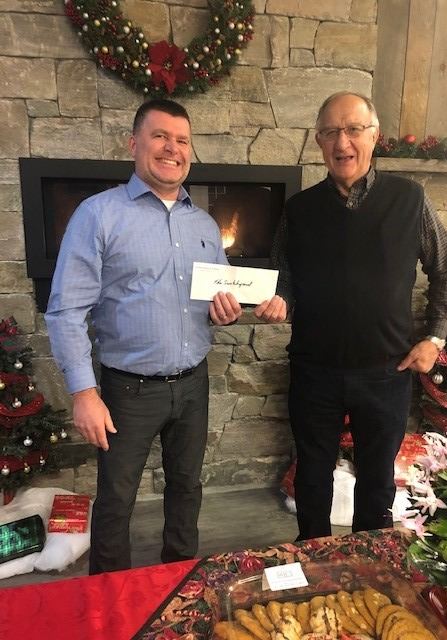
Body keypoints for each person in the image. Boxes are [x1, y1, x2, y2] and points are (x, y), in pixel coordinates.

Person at [45, 99, 285, 574]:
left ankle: (180, 582)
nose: (171, 148)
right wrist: (84, 393)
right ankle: (111, 595)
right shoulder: (98, 215)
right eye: (159, 136)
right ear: (133, 144)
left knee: (187, 487)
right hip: (127, 391)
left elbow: (217, 303)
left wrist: (228, 312)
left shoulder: (204, 224)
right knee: (117, 499)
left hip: (193, 383)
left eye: (181, 140)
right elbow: (66, 310)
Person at [272, 91, 447, 539]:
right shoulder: (298, 210)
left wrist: (434, 338)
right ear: (319, 141)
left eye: (354, 130)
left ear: (374, 136)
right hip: (314, 371)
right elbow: (283, 277)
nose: (343, 142)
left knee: (377, 483)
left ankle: (370, 563)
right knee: (311, 478)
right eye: (331, 132)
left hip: (386, 372)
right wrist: (278, 299)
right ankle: (313, 556)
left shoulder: (409, 199)